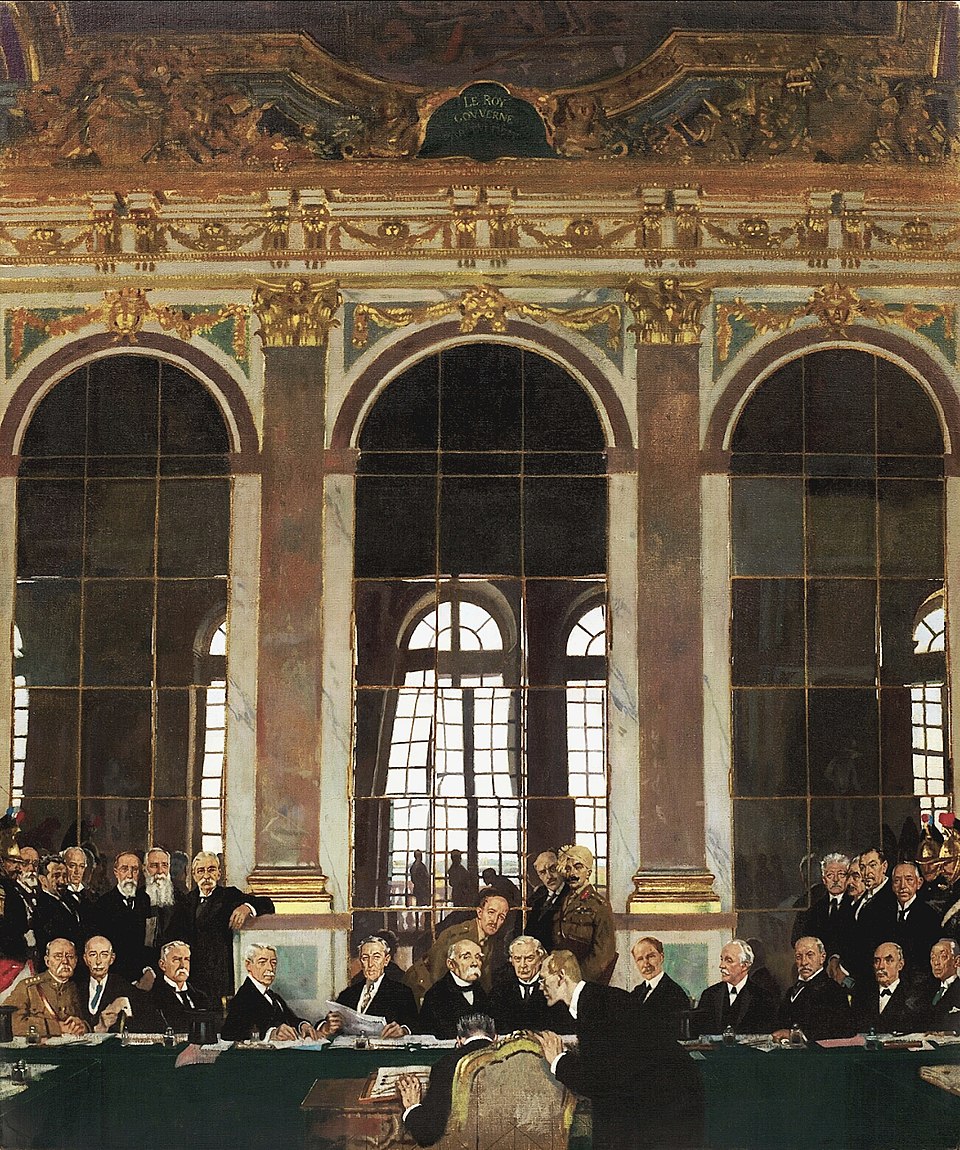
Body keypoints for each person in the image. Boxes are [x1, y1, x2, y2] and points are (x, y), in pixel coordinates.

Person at [538, 949, 701, 1150]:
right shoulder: (594, 998)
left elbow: (597, 1081)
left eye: (543, 979)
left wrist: (558, 1061)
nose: (541, 986)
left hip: (666, 1103)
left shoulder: (593, 1005)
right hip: (659, 1097)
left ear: (561, 976)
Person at [166, 851, 275, 1000]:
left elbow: (267, 903)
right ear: (194, 875)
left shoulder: (229, 895)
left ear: (219, 873)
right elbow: (171, 936)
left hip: (220, 976)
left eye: (211, 870)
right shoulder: (185, 901)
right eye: (201, 871)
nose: (206, 876)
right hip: (192, 977)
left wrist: (247, 907)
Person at [397, 1013, 496, 1147]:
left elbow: (427, 1134)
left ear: (459, 1040)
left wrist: (412, 1107)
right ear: (495, 1037)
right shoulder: (515, 1060)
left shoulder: (445, 1065)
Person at [408, 889, 510, 999]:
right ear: (480, 912)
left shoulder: (488, 939)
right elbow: (437, 971)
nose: (494, 920)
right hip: (421, 984)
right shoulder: (459, 936)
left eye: (501, 917)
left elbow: (484, 978)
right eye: (491, 912)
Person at [221, 942, 320, 1041]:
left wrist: (302, 1025)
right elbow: (230, 1034)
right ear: (248, 965)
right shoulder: (243, 997)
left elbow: (291, 1019)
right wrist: (271, 1034)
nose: (270, 968)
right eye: (262, 962)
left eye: (273, 963)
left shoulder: (273, 996)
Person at [328, 935, 419, 1036]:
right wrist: (327, 1025)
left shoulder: (402, 992)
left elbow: (414, 1025)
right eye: (365, 958)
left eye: (376, 957)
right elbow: (329, 1020)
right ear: (361, 961)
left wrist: (403, 1030)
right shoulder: (348, 994)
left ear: (386, 960)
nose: (370, 964)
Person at [552, 844, 616, 983]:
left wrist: (578, 979)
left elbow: (604, 953)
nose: (572, 873)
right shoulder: (562, 901)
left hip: (584, 980)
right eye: (568, 869)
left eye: (578, 867)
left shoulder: (599, 905)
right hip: (560, 978)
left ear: (588, 872)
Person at [771, 936, 854, 1041]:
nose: (804, 962)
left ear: (822, 958)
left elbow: (842, 1030)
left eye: (810, 955)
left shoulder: (833, 991)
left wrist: (795, 1035)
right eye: (798, 957)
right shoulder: (790, 991)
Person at [488, 934, 573, 1033]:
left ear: (540, 959)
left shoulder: (554, 988)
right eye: (517, 959)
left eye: (529, 958)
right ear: (511, 961)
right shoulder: (499, 990)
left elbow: (564, 1028)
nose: (523, 965)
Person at [692, 939, 777, 1036]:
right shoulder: (709, 994)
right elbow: (700, 1033)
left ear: (744, 966)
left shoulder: (763, 997)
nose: (721, 965)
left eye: (729, 961)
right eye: (722, 959)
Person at [7, 938, 88, 1038]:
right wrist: (56, 1028)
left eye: (70, 956)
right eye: (58, 956)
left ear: (75, 961)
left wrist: (83, 1026)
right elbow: (9, 1022)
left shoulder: (78, 988)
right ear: (47, 961)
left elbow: (89, 1021)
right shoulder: (28, 987)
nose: (65, 961)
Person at [92, 851, 152, 985]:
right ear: (116, 872)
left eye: (134, 870)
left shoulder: (145, 901)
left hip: (142, 975)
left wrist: (147, 971)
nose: (130, 875)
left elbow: (149, 940)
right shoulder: (103, 904)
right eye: (124, 869)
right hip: (115, 977)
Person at [853, 941, 932, 1033]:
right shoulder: (862, 996)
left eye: (889, 960)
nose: (881, 966)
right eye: (877, 961)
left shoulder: (914, 997)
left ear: (900, 965)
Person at [419, 939, 491, 1039]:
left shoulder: (481, 991)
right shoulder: (436, 995)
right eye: (466, 957)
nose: (474, 963)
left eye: (478, 957)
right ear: (451, 964)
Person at [790, 852, 853, 957]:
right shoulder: (813, 908)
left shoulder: (856, 904)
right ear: (824, 880)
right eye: (830, 875)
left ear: (848, 878)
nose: (836, 880)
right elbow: (796, 939)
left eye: (841, 874)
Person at [76, 934, 141, 1033]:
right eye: (93, 955)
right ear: (85, 959)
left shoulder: (123, 987)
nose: (98, 961)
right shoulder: (77, 987)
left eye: (104, 955)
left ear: (112, 959)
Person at [631, 935, 691, 1040]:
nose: (646, 964)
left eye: (651, 956)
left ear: (661, 957)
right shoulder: (636, 992)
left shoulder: (675, 993)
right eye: (640, 959)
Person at [886, 860, 941, 971]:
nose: (903, 886)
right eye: (897, 881)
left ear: (919, 883)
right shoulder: (884, 913)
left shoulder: (929, 915)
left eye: (909, 880)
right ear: (892, 885)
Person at [149, 940, 212, 1032]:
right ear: (162, 965)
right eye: (177, 960)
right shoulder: (153, 997)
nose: (183, 966)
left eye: (186, 959)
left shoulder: (201, 997)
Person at [143, 846, 189, 963]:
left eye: (164, 865)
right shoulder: (137, 898)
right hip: (144, 964)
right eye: (154, 866)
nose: (160, 871)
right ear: (145, 869)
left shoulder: (181, 898)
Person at [35, 854, 82, 965]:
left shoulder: (71, 900)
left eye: (64, 875)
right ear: (42, 880)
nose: (62, 880)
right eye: (56, 875)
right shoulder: (41, 906)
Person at [524, 850, 567, 954]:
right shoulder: (538, 896)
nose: (549, 876)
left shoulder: (571, 894)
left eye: (552, 869)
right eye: (543, 872)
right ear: (538, 875)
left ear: (561, 868)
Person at [929, 938, 960, 1029]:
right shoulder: (928, 991)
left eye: (943, 957)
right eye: (933, 957)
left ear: (957, 961)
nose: (936, 963)